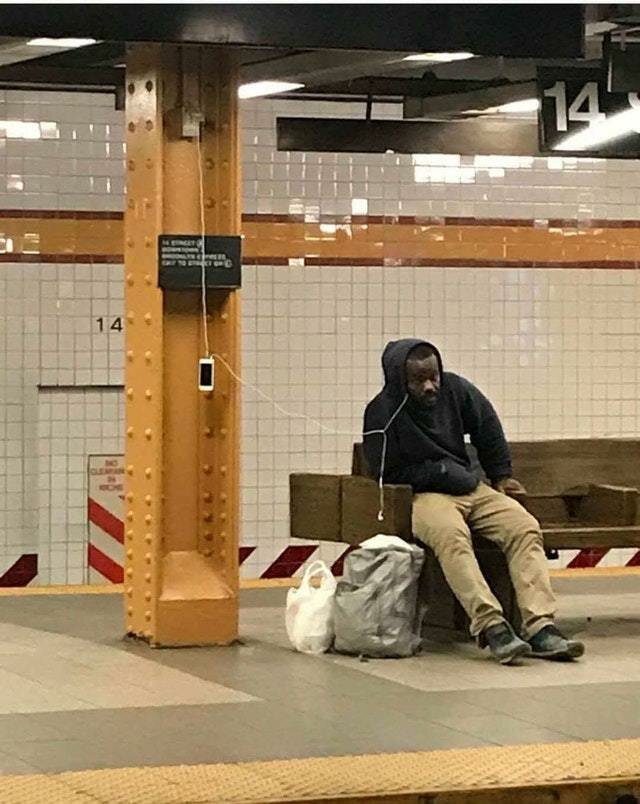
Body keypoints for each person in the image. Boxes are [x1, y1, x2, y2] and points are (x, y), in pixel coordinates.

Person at [363, 338, 585, 664]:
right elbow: (384, 471)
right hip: (423, 495)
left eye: (434, 376)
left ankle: (540, 627)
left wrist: (500, 476)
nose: (430, 386)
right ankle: (491, 625)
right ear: (400, 379)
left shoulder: (455, 389)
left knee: (523, 526)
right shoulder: (381, 412)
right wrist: (439, 472)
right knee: (452, 536)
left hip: (470, 487)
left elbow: (487, 427)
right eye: (419, 380)